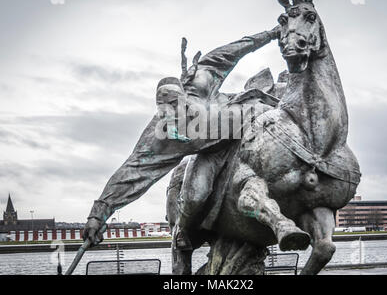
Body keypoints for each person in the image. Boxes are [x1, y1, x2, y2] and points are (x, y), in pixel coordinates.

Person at [83, 27, 281, 246]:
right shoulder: (161, 137)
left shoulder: (200, 82)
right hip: (212, 155)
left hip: (253, 117)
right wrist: (97, 215)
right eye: (165, 109)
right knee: (196, 195)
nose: (172, 114)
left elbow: (231, 51)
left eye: (175, 105)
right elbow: (131, 173)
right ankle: (184, 230)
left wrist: (271, 34)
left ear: (184, 97)